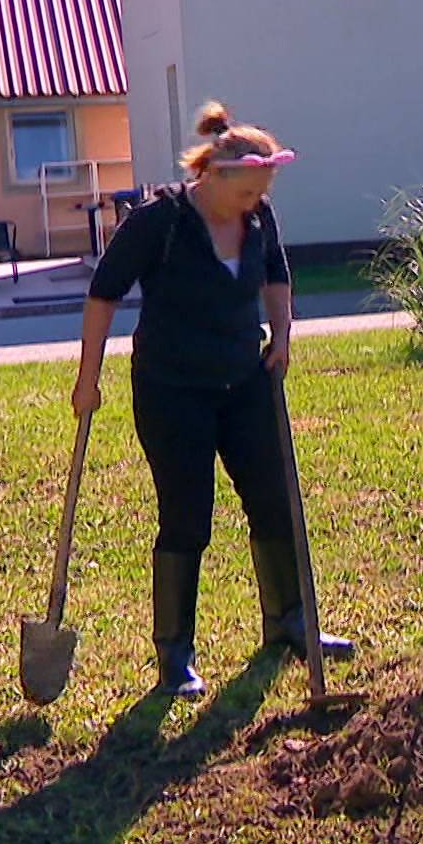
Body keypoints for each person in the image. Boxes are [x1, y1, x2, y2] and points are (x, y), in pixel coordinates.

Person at [72, 102, 352, 697]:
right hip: (173, 390)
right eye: (247, 191)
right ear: (214, 176)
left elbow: (276, 274)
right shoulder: (160, 221)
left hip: (245, 380)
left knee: (275, 502)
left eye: (261, 192)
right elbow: (103, 293)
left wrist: (282, 334)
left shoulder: (259, 217)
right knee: (187, 516)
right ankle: (175, 655)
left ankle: (289, 621)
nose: (255, 203)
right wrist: (87, 377)